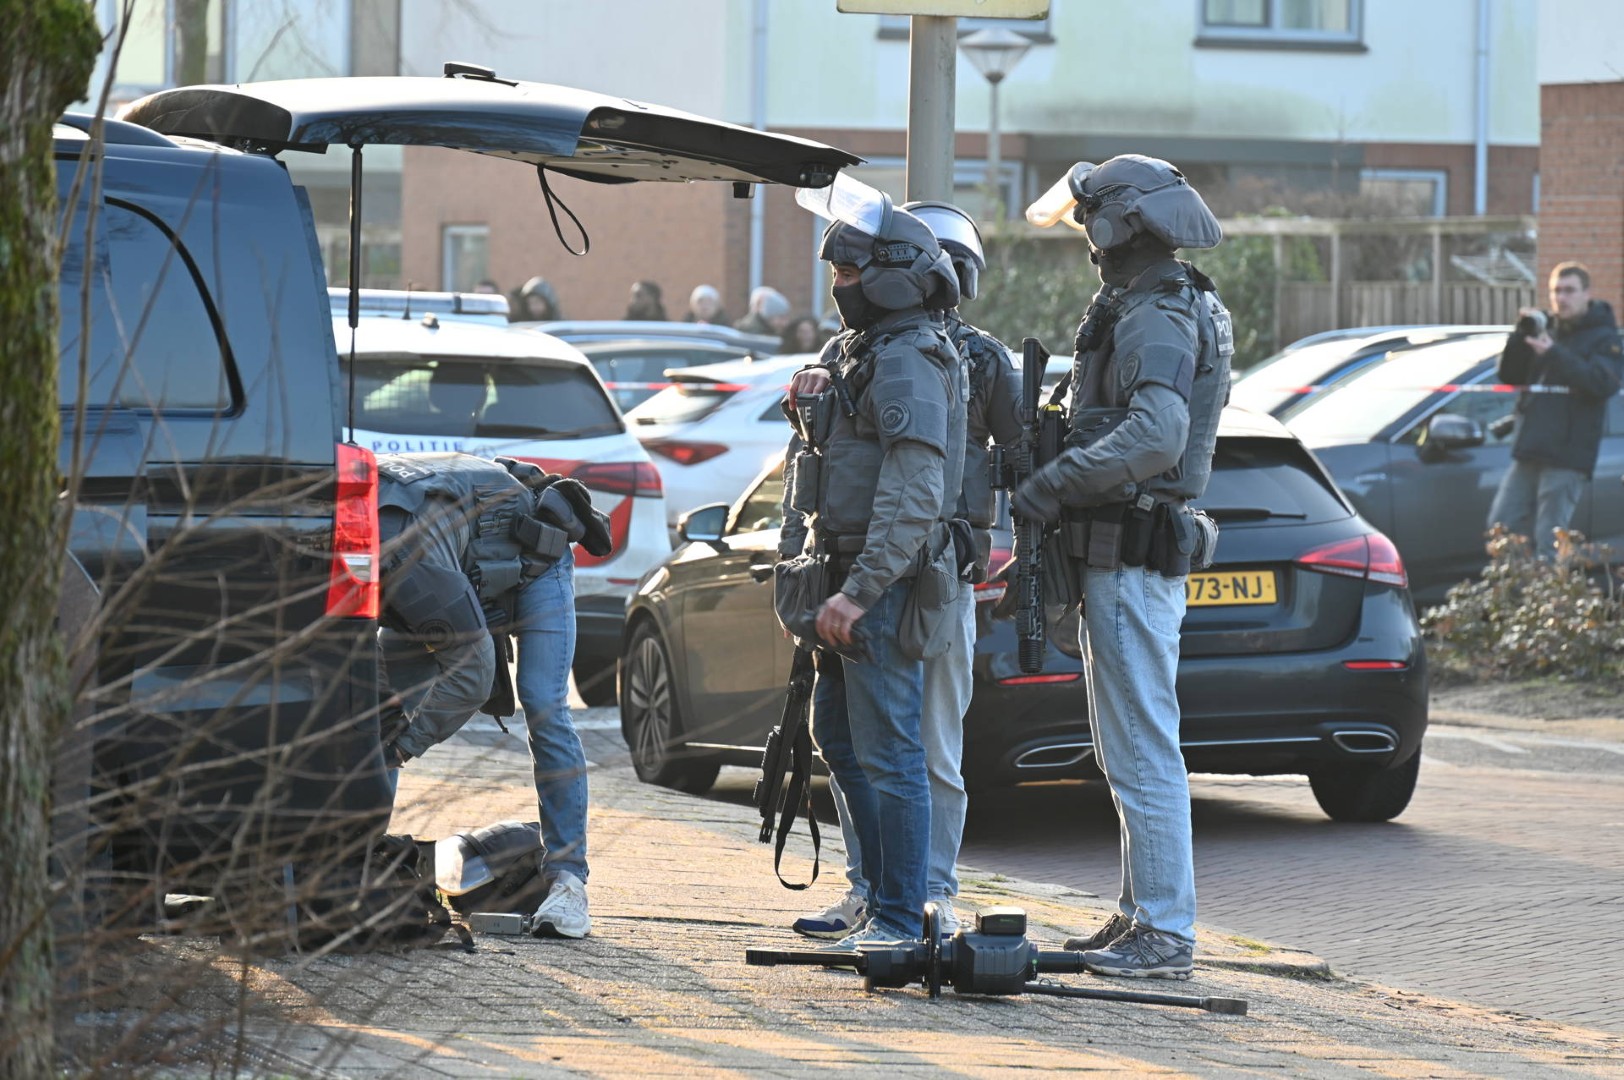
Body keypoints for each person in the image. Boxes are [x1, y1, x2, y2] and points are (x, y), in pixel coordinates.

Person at [1012, 155, 1231, 979]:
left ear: (1119, 225)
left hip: (1131, 552)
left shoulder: (1156, 314)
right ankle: (1142, 913)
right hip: (1120, 553)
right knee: (1128, 747)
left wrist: (1054, 483)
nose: (1085, 240)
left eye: (1089, 223)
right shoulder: (1157, 301)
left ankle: (1164, 931)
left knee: (1141, 747)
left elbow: (1157, 435)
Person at [785, 202, 1020, 941]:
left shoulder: (913, 355)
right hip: (848, 573)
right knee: (840, 738)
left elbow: (917, 488)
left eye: (849, 271)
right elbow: (835, 461)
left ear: (894, 276)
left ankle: (903, 915)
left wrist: (859, 592)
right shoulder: (863, 348)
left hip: (887, 584)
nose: (838, 285)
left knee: (900, 754)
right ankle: (879, 895)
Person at [375, 451, 610, 939]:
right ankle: (362, 857)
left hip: (534, 565)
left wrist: (403, 746)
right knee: (380, 714)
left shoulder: (405, 558)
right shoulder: (334, 538)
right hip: (460, 565)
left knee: (543, 704)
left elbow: (474, 674)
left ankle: (568, 882)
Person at [1486, 262, 1623, 556]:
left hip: (1567, 456)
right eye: (1556, 291)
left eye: (1569, 291)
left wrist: (1553, 352)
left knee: (1549, 541)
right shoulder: (1547, 329)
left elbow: (1600, 384)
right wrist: (1519, 337)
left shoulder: (1604, 337)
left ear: (1587, 293)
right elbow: (1510, 376)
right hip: (1530, 448)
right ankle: (1512, 586)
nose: (1561, 298)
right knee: (1502, 529)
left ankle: (1550, 587)